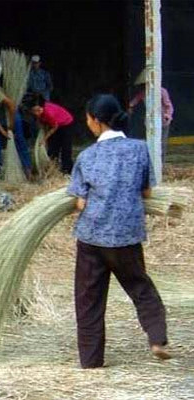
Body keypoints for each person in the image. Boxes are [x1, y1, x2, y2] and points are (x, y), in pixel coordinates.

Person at [68, 94, 170, 369]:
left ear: (97, 122)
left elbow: (80, 202)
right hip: (126, 237)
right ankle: (157, 339)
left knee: (89, 301)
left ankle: (91, 362)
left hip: (92, 238)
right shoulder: (139, 149)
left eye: (88, 118)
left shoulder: (87, 157)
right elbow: (146, 191)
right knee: (140, 287)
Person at [128, 69, 174, 163]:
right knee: (150, 142)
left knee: (162, 143)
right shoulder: (144, 92)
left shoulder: (162, 91)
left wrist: (167, 115)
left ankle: (161, 163)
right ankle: (151, 162)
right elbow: (134, 101)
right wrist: (130, 106)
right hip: (150, 121)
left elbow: (168, 105)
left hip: (163, 120)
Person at [25, 93, 74, 174]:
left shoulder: (48, 113)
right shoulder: (39, 113)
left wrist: (44, 139)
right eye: (34, 111)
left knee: (65, 148)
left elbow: (55, 127)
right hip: (54, 125)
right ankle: (53, 169)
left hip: (66, 124)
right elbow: (42, 123)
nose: (37, 113)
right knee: (53, 148)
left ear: (42, 108)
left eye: (39, 110)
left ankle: (67, 170)